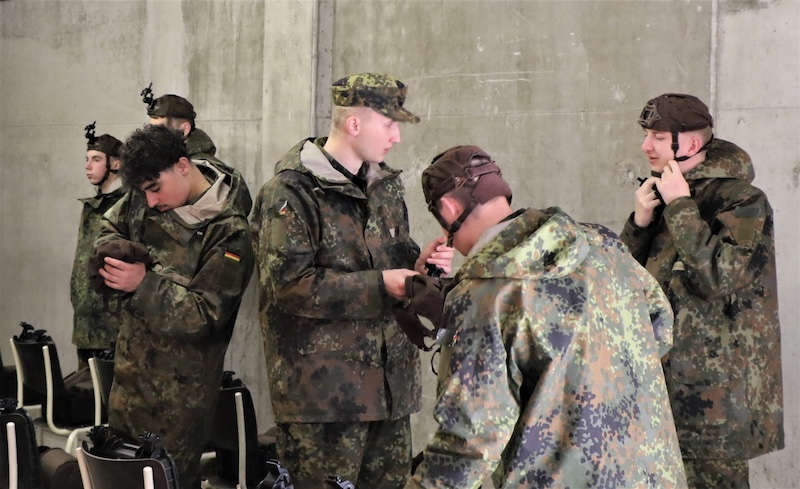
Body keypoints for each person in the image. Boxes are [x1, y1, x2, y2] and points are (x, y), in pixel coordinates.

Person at [407, 145, 687, 489]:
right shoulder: (603, 246)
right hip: (655, 475)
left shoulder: (486, 296)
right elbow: (659, 327)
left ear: (449, 208)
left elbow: (468, 441)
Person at [251, 72, 453, 489]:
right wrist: (381, 285)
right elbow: (288, 286)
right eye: (389, 124)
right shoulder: (291, 193)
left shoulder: (385, 187)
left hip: (389, 392)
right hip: (324, 402)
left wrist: (421, 268)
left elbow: (393, 261)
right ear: (355, 124)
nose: (396, 136)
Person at [620, 93, 784, 488]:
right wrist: (639, 225)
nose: (646, 146)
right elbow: (625, 289)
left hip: (716, 401)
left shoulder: (743, 202)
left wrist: (679, 206)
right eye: (646, 135)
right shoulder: (662, 196)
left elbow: (718, 279)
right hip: (659, 389)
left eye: (658, 136)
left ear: (690, 144)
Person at [95, 124, 254, 489]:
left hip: (180, 402)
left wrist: (143, 282)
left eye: (155, 189)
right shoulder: (143, 196)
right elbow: (107, 230)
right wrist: (120, 257)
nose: (150, 202)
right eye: (143, 192)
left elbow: (205, 315)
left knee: (169, 481)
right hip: (127, 385)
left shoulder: (230, 232)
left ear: (183, 165)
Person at [70, 122, 125, 367]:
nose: (87, 166)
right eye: (86, 159)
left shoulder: (126, 204)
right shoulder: (91, 207)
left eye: (96, 159)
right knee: (84, 398)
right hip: (85, 324)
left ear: (115, 163)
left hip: (112, 326)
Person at [140, 83, 228, 165]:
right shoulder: (159, 162)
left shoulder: (203, 170)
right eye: (150, 129)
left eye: (160, 130)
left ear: (185, 129)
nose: (152, 136)